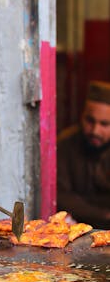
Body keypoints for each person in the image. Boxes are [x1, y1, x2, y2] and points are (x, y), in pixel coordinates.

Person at [57, 80, 110, 228]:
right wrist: (104, 215)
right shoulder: (65, 144)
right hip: (75, 230)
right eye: (90, 121)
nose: (95, 131)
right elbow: (60, 195)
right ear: (82, 115)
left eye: (104, 124)